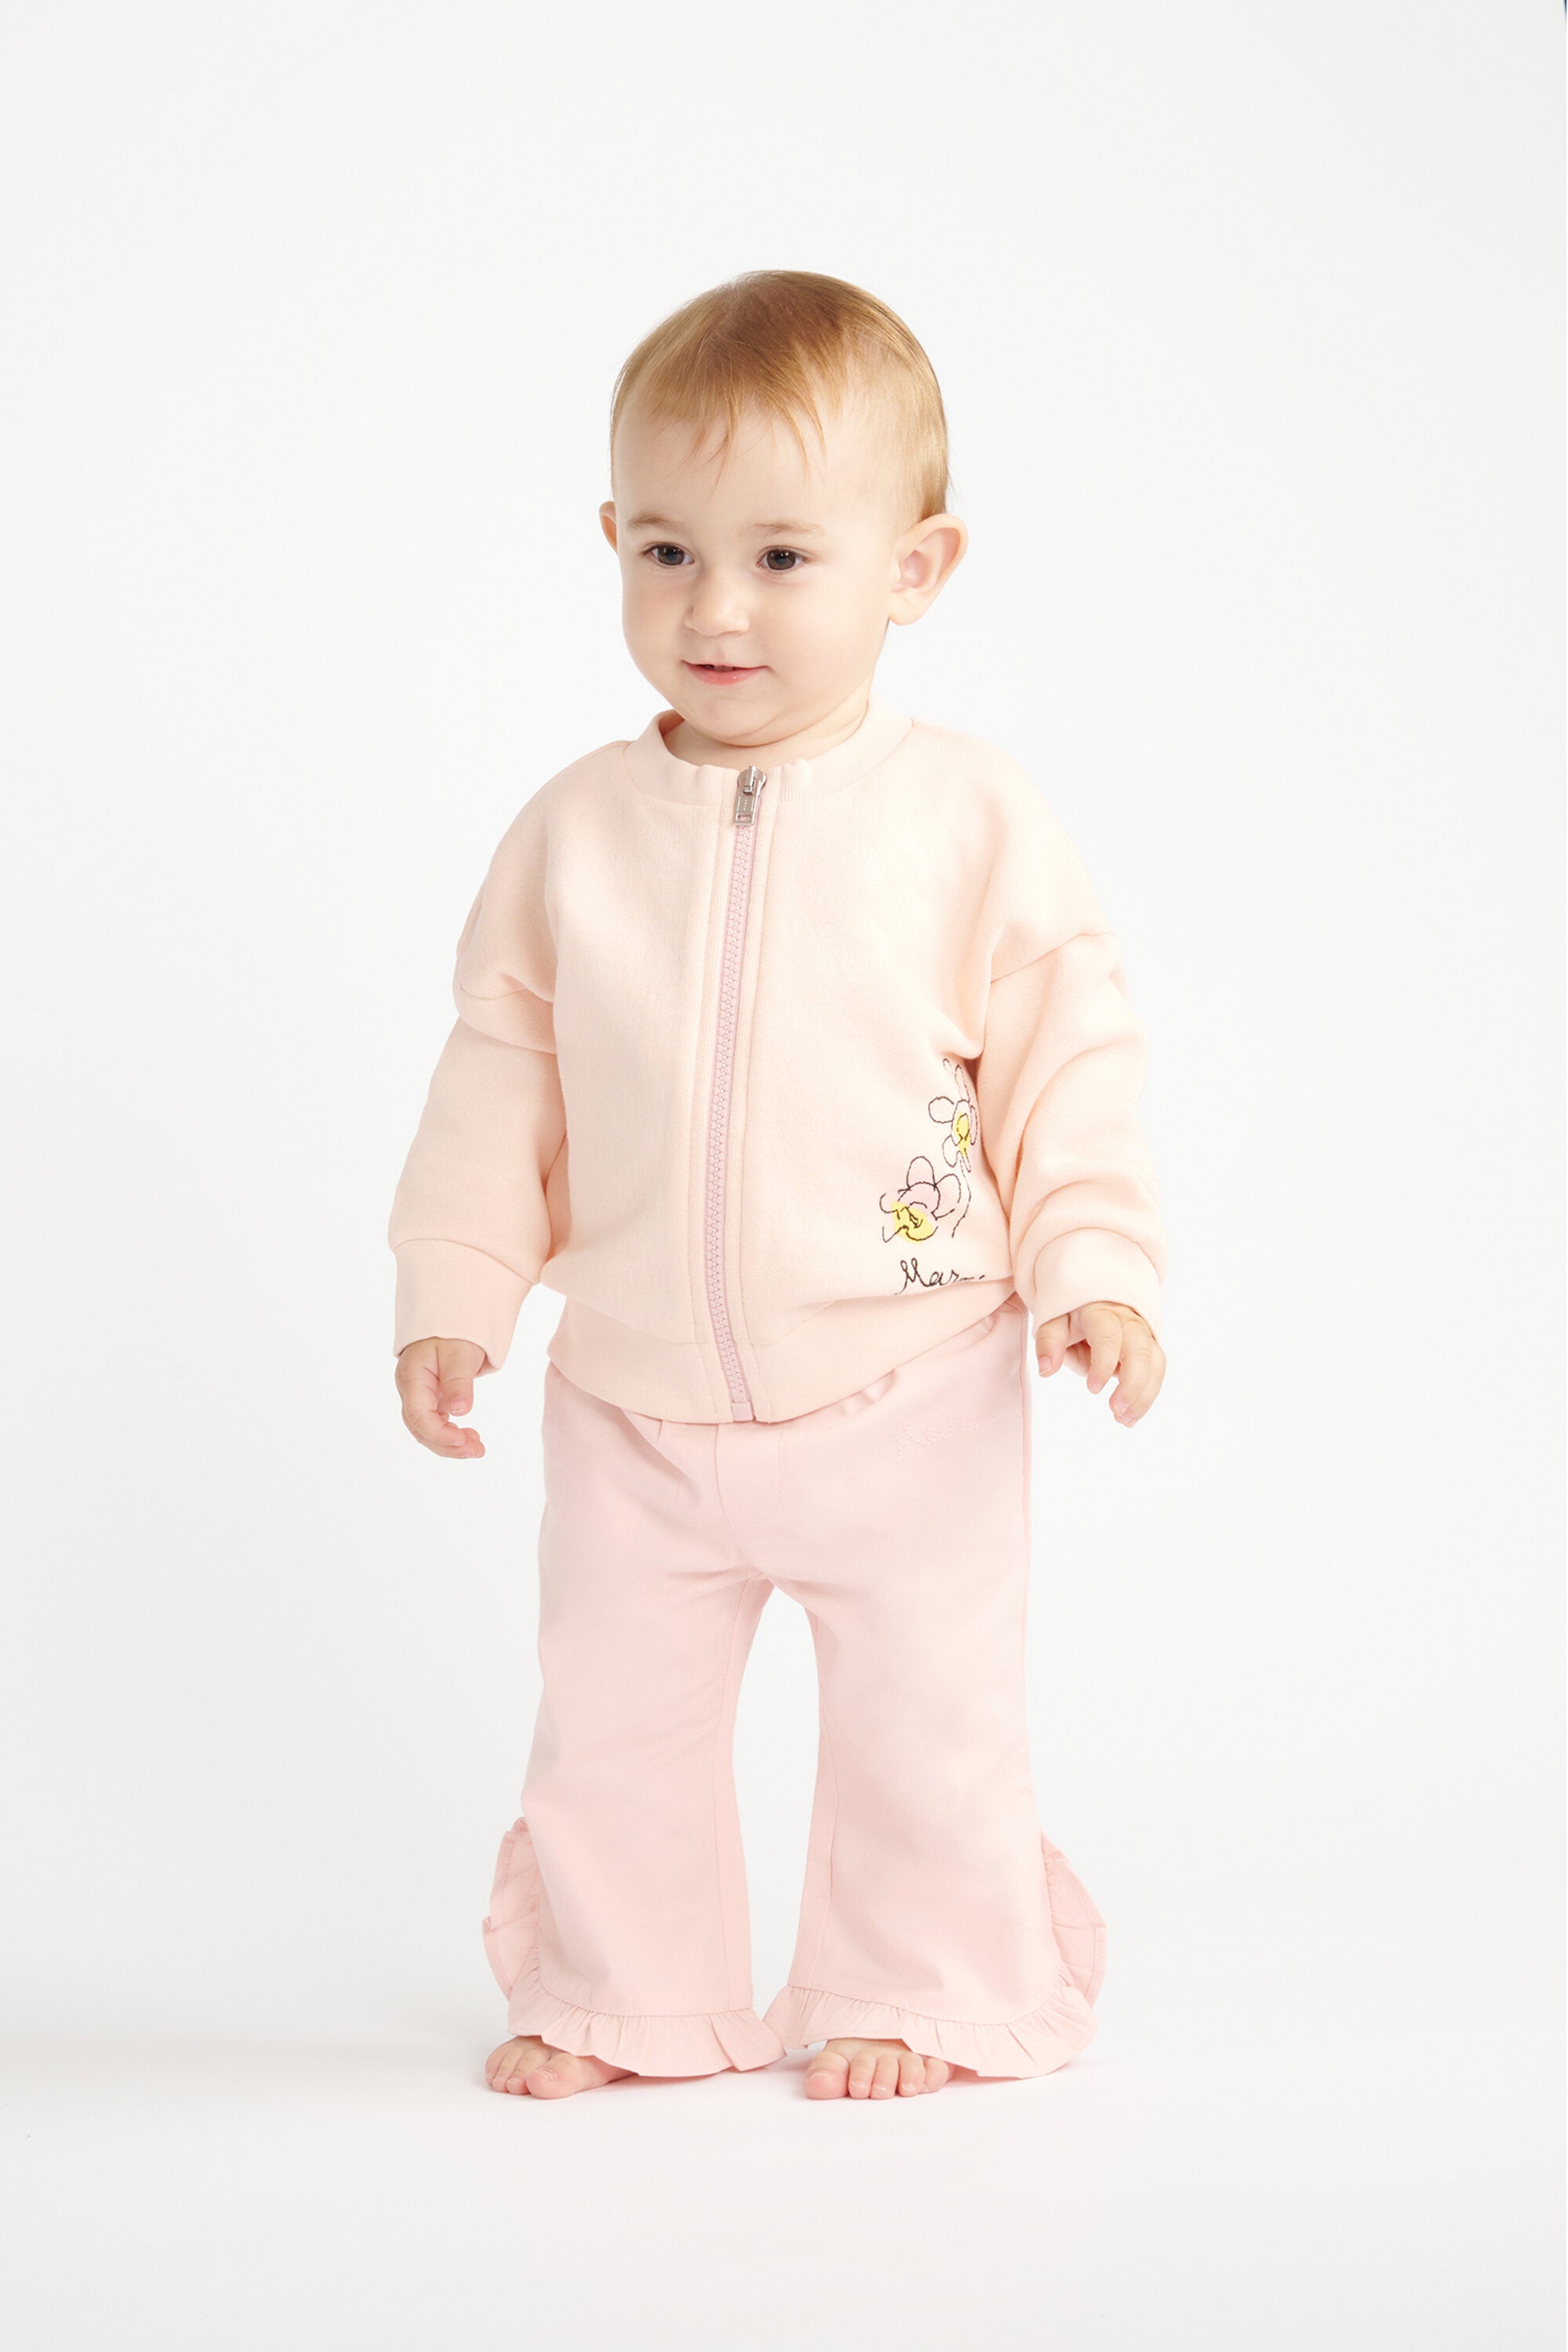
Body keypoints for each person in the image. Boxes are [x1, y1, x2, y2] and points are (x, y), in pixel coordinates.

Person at [388, 270, 1168, 2103]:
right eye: (666, 551)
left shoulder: (968, 819)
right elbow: (499, 1079)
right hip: (633, 1400)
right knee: (615, 1724)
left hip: (908, 1388)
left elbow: (1067, 1058)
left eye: (782, 559)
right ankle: (621, 1992)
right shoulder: (574, 832)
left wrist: (1093, 1262)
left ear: (914, 567)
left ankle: (926, 1986)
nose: (713, 608)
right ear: (611, 540)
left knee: (924, 1721)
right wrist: (456, 1289)